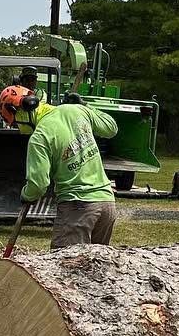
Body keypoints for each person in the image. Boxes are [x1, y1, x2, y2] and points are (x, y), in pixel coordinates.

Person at [16, 91, 120, 249]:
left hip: (77, 207)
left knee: (64, 269)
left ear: (20, 112)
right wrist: (85, 106)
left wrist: (26, 195)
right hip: (107, 203)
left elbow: (38, 184)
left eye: (13, 122)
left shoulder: (40, 137)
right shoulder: (76, 110)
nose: (15, 126)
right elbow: (111, 128)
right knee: (95, 270)